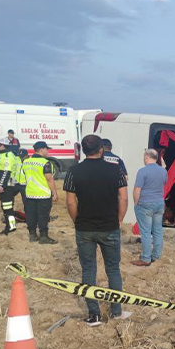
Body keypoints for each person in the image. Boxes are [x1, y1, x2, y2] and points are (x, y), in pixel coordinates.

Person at [63, 135, 130, 327]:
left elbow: (70, 201)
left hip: (84, 228)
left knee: (88, 269)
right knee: (113, 269)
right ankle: (117, 312)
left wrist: (78, 221)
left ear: (83, 150)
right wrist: (119, 219)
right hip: (109, 226)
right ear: (101, 149)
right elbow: (123, 198)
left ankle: (94, 315)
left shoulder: (73, 171)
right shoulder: (114, 169)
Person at [131, 149, 167, 266]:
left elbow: (137, 189)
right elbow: (164, 184)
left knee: (146, 232)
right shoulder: (163, 171)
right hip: (159, 203)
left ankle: (145, 258)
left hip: (145, 204)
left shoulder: (142, 171)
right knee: (157, 230)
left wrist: (136, 203)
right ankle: (156, 255)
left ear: (147, 157)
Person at [22, 141, 59, 244]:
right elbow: (49, 179)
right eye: (47, 149)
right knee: (43, 215)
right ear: (42, 149)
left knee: (31, 215)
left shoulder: (26, 162)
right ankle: (43, 237)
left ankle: (32, 235)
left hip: (30, 193)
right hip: (43, 194)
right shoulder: (45, 163)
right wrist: (55, 193)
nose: (47, 151)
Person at [0, 138, 20, 235]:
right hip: (6, 185)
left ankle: (9, 228)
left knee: (7, 208)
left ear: (2, 146)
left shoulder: (7, 155)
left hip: (7, 186)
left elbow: (7, 172)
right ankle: (12, 226)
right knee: (7, 207)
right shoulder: (2, 154)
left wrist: (1, 185)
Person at [15, 148, 28, 214]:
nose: (21, 158)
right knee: (9, 197)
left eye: (22, 156)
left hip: (25, 184)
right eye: (19, 156)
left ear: (26, 155)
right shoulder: (16, 160)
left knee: (26, 201)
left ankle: (28, 215)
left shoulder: (29, 161)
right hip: (16, 183)